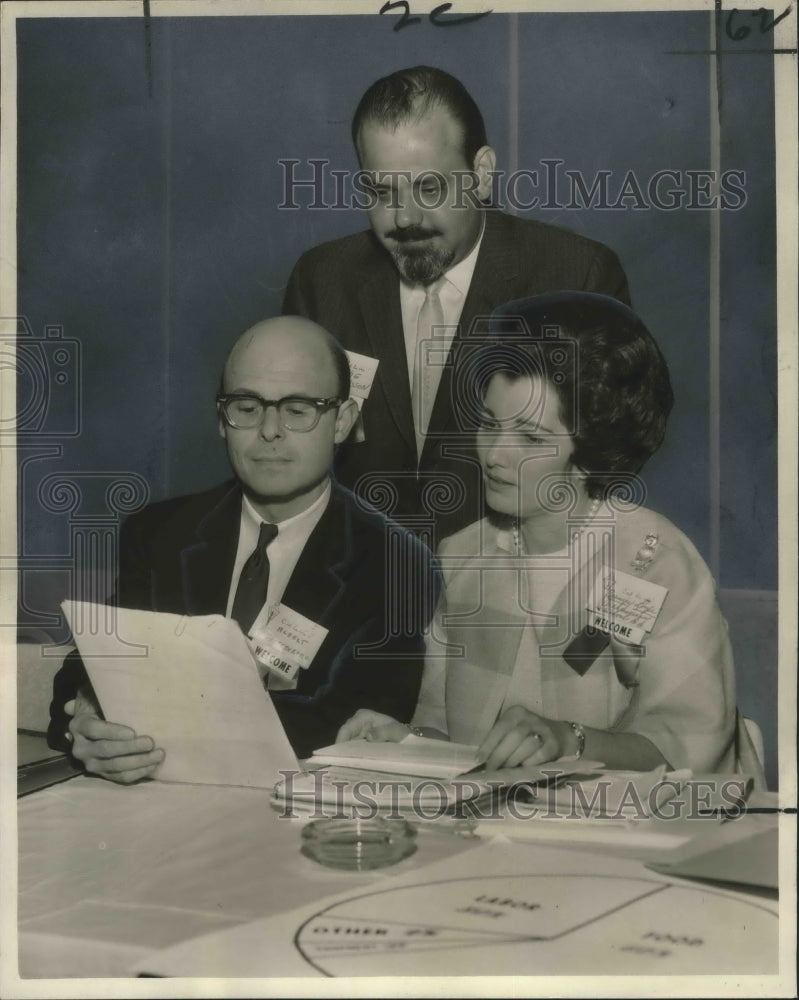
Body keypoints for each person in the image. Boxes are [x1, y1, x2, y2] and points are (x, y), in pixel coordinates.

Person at [338, 292, 764, 779]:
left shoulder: (654, 561)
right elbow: (454, 740)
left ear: (591, 454)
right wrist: (406, 740)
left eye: (531, 438)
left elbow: (691, 748)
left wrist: (570, 740)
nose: (495, 454)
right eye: (489, 424)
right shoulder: (462, 558)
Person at [48, 317, 440, 778]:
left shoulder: (397, 562)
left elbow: (352, 723)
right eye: (247, 406)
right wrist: (90, 724)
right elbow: (86, 672)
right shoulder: (159, 534)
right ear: (221, 420)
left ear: (343, 422)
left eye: (298, 409)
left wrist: (150, 720)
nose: (269, 430)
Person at [284, 65, 631, 544]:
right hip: (355, 582)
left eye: (429, 188)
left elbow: (603, 467)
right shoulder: (321, 280)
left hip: (511, 587)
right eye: (381, 192)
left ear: (481, 174)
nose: (405, 218)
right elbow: (293, 455)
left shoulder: (577, 275)